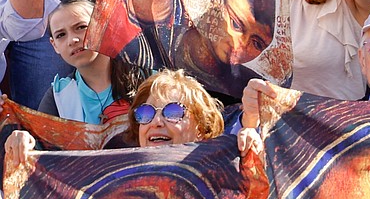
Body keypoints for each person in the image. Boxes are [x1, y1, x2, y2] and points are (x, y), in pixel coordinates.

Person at [6, 68, 231, 162]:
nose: (156, 121)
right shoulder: (111, 182)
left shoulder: (223, 179)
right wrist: (26, 149)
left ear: (202, 128)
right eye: (145, 113)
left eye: (173, 112)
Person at [40, 0, 146, 123]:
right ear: (54, 45)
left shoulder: (148, 79)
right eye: (61, 35)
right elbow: (38, 142)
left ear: (104, 25)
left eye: (81, 27)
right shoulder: (58, 96)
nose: (72, 40)